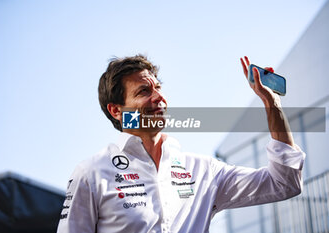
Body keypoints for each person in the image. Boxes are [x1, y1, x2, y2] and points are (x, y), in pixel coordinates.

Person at [57, 55, 305, 233]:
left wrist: (272, 105)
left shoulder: (203, 170)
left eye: (158, 88)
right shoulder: (91, 173)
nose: (158, 97)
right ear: (116, 110)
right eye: (144, 91)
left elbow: (284, 183)